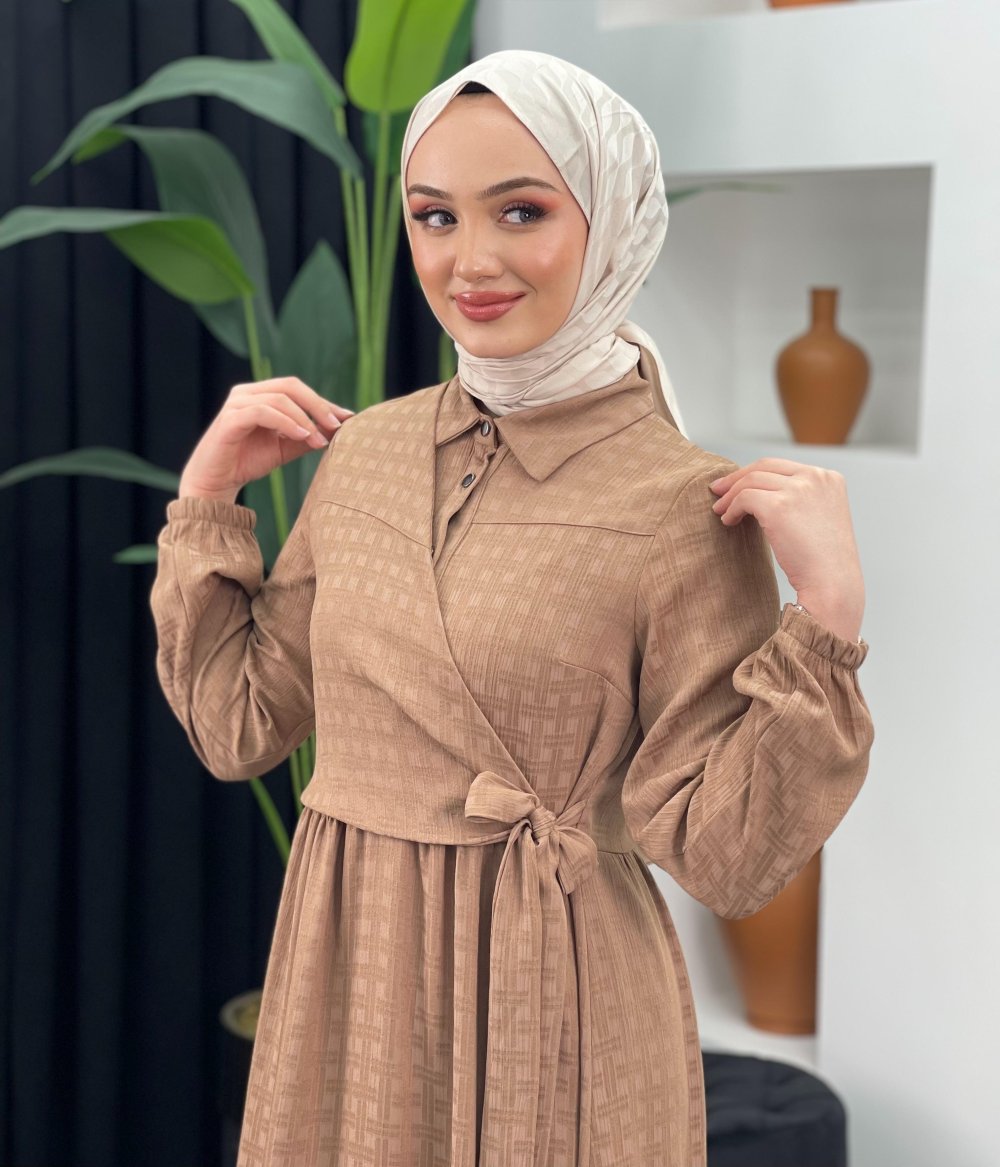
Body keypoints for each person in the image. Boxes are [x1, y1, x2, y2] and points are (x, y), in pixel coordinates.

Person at [149, 48, 874, 1167]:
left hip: (557, 995)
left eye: (522, 211)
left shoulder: (682, 503)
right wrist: (206, 502)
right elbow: (239, 725)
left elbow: (722, 858)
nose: (470, 261)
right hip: (348, 977)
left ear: (610, 223)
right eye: (435, 217)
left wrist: (826, 622)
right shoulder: (367, 454)